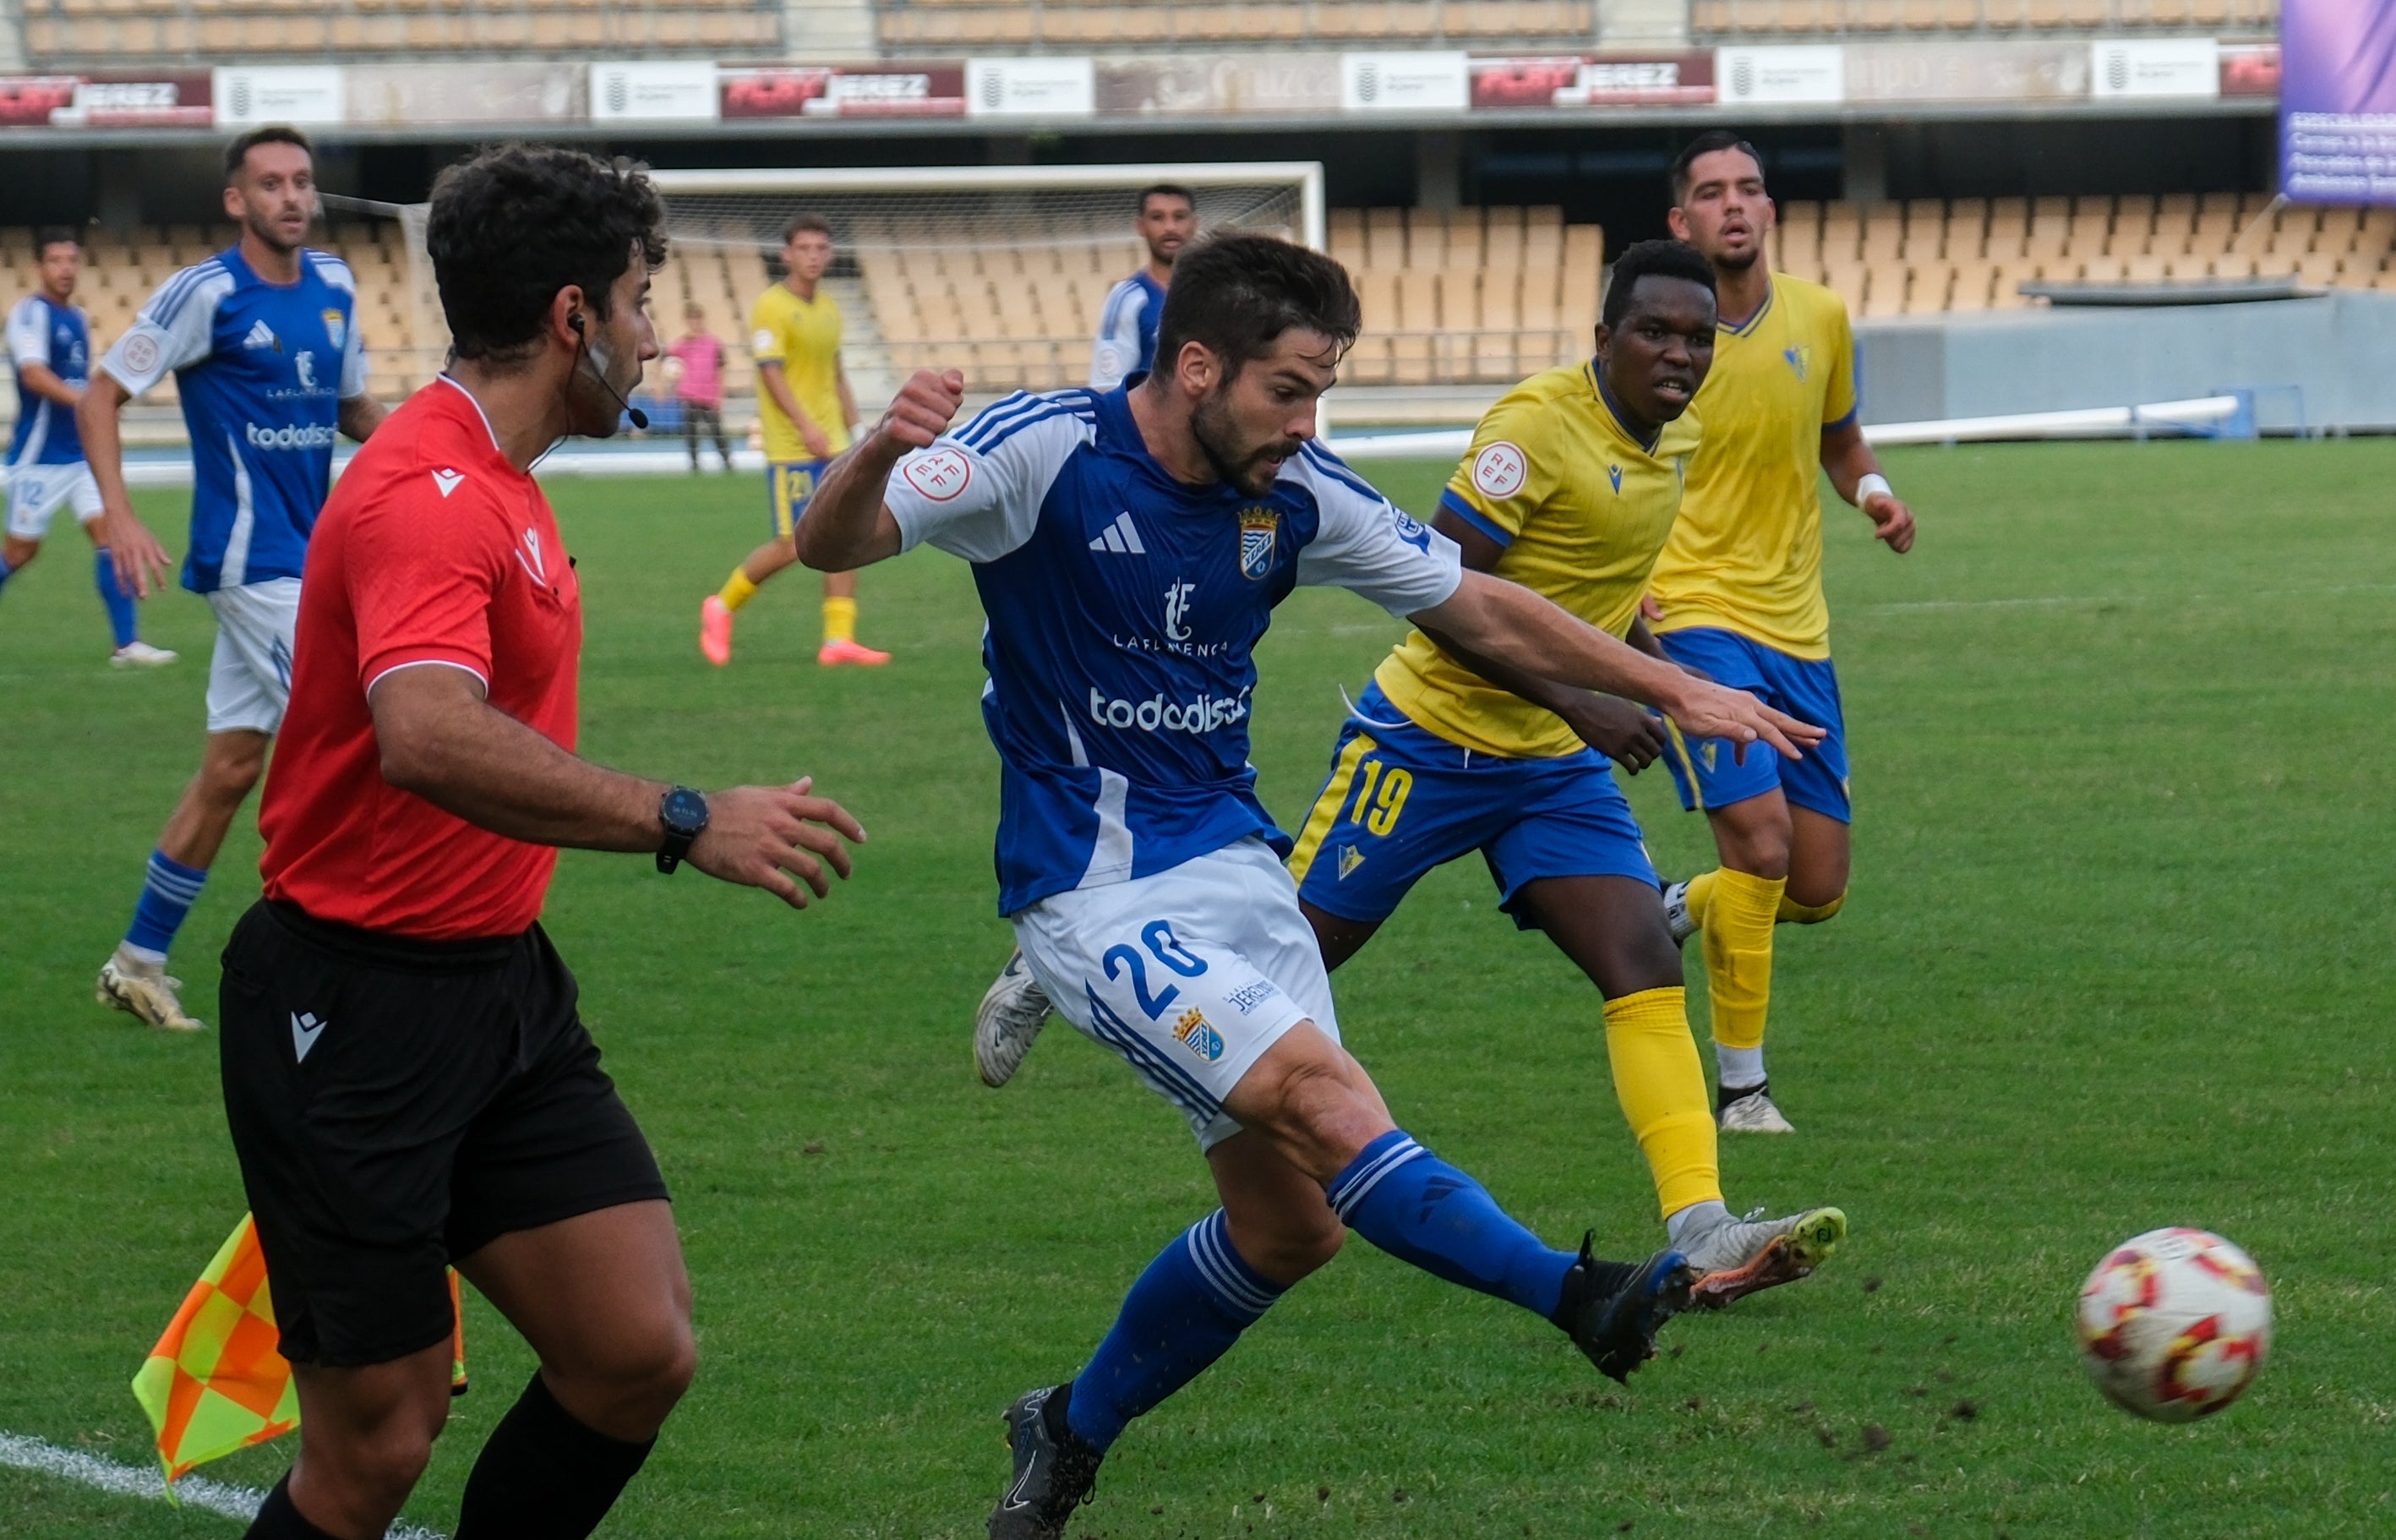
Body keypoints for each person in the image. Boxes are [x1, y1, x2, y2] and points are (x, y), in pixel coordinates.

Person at [794, 232, 1822, 1537]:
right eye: (1288, 388)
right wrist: (879, 447)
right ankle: (1587, 1297)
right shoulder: (1045, 449)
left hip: (1231, 863)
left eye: (1321, 389)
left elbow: (1476, 604)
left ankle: (1063, 1428)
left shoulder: (1298, 491)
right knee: (1324, 1099)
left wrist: (1668, 682)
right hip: (1091, 887)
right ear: (1198, 366)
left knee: (1288, 1229)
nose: (1307, 419)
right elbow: (838, 533)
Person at [974, 238, 1846, 1302]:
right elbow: (1454, 594)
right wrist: (1591, 698)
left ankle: (1701, 1224)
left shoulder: (1686, 433)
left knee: (1639, 960)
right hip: (1427, 742)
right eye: (1657, 333)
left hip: (1552, 767)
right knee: (1296, 952)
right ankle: (1072, 960)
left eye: (1698, 339)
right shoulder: (1530, 431)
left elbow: (1595, 595)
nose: (1680, 357)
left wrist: (1650, 671)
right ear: (1604, 336)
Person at [218, 144, 865, 1540]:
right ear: (574, 315)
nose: (651, 331)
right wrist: (683, 818)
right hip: (353, 1003)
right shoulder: (425, 490)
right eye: (641, 298)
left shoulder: (505, 476)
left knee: (635, 1347)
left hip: (500, 988)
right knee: (376, 1444)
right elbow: (428, 734)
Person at [85, 126, 387, 1032]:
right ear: (236, 200)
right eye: (271, 183)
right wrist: (122, 516)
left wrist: (449, 444)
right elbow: (102, 395)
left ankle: (137, 960)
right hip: (252, 567)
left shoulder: (335, 284)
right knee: (366, 751)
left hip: (311, 561)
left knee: (230, 770)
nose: (292, 196)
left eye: (302, 181)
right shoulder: (205, 293)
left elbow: (353, 410)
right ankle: (338, 982)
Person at [1651, 130, 1918, 1133]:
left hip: (1797, 628)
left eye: (1749, 189)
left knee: (1815, 885)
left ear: (1770, 210)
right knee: (1760, 846)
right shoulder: (1660, 331)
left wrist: (1878, 493)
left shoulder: (1821, 316)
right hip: (1691, 617)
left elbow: (1839, 439)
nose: (1734, 205)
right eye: (1711, 192)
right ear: (1680, 222)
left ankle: (1676, 908)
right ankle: (1743, 1092)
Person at [697, 212, 882, 668]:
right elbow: (771, 372)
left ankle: (838, 639)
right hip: (793, 447)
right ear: (787, 255)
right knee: (794, 544)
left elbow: (836, 373)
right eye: (804, 249)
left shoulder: (829, 309)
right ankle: (721, 606)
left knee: (847, 536)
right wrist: (805, 426)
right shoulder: (772, 307)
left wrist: (857, 431)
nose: (814, 257)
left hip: (835, 443)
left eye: (821, 249)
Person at [0, 227, 174, 666]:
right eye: (56, 261)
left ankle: (126, 644)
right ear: (40, 267)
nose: (66, 269)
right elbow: (33, 375)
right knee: (20, 551)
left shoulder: (76, 318)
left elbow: (82, 382)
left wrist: (103, 404)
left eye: (72, 260)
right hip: (39, 459)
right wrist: (89, 403)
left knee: (110, 538)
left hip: (79, 458)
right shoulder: (30, 314)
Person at [1089, 184, 1195, 391]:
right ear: (1140, 226)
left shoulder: (1218, 295)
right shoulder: (1126, 298)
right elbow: (1107, 386)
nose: (1170, 228)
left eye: (1179, 217)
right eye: (1157, 217)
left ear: (1194, 224)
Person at [667, 301, 733, 473]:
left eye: (697, 319)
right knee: (691, 433)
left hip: (709, 394)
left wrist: (721, 394)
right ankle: (694, 464)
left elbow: (721, 369)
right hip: (689, 393)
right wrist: (662, 384)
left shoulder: (713, 343)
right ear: (687, 321)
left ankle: (727, 462)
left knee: (717, 431)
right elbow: (667, 362)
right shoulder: (682, 344)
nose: (694, 323)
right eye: (691, 319)